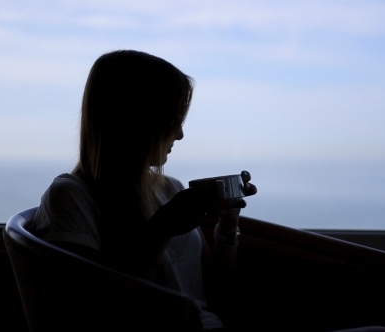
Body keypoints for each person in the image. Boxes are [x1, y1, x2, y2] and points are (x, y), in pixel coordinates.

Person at [34, 50, 256, 331]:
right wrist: (161, 229)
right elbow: (99, 312)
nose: (180, 134)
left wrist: (228, 226)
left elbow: (212, 291)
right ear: (136, 121)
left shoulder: (170, 188)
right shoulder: (71, 198)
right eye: (172, 121)